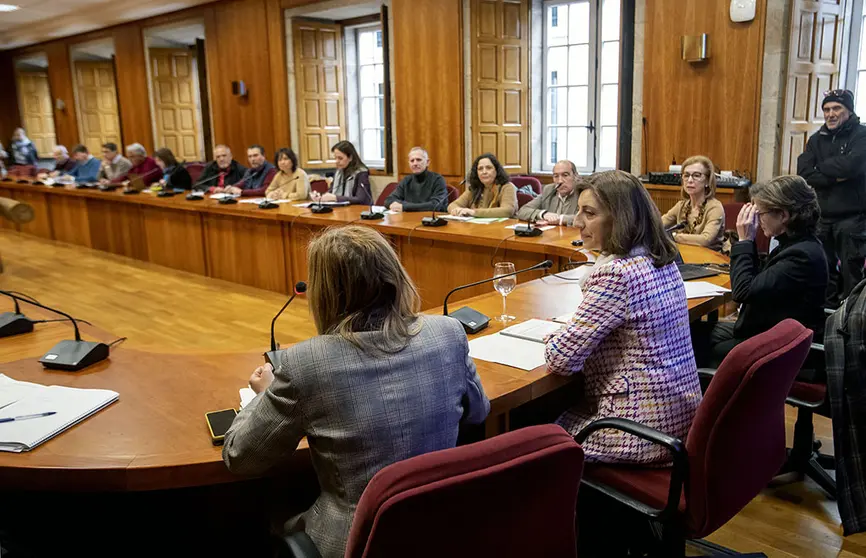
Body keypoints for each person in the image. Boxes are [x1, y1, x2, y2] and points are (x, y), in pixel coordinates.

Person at [223, 225, 490, 557]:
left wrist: (266, 392)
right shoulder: (447, 332)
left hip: (356, 541)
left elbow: (240, 457)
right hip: (439, 524)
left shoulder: (304, 364)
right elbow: (479, 412)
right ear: (396, 275)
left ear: (325, 292)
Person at [543, 170, 701, 465]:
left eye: (589, 213)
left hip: (639, 430)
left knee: (534, 433)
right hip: (679, 417)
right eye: (578, 212)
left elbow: (561, 359)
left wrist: (553, 336)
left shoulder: (617, 274)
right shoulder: (659, 259)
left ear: (621, 218)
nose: (578, 223)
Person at [692, 175, 828, 367]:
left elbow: (743, 292)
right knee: (688, 333)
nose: (756, 219)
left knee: (688, 348)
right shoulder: (796, 244)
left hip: (780, 350)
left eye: (760, 213)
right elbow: (757, 281)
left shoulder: (801, 256)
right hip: (763, 332)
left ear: (783, 215)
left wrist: (746, 240)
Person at [797, 89, 866, 306]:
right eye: (826, 109)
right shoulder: (817, 139)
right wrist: (836, 176)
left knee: (851, 272)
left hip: (853, 218)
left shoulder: (861, 135)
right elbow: (804, 171)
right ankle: (823, 322)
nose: (830, 114)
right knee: (822, 270)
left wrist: (821, 168)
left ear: (849, 110)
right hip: (822, 216)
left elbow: (853, 165)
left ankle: (851, 323)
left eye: (837, 108)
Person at [661, 155, 725, 252]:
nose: (690, 180)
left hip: (710, 262)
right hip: (685, 258)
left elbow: (705, 239)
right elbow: (658, 225)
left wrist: (674, 236)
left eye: (696, 175)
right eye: (686, 175)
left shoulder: (715, 207)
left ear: (707, 181)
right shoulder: (682, 206)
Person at [448, 153, 517, 218]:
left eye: (489, 168)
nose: (484, 172)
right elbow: (452, 205)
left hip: (501, 228)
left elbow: (508, 211)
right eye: (480, 169)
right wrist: (456, 210)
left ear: (497, 171)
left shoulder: (507, 187)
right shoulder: (474, 188)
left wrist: (473, 212)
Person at [384, 147, 448, 212]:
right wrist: (396, 205)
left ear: (427, 162)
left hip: (430, 219)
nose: (415, 163)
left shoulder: (438, 180)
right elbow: (388, 200)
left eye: (419, 160)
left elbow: (435, 205)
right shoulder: (406, 180)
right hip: (408, 219)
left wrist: (404, 206)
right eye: (412, 161)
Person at [516, 160, 580, 225]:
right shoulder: (549, 190)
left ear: (576, 176)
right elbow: (522, 211)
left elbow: (584, 219)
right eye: (556, 176)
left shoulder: (582, 192)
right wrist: (543, 214)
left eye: (565, 175)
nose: (560, 181)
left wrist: (560, 219)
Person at [313, 141, 372, 205]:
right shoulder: (338, 172)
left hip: (358, 211)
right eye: (335, 158)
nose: (337, 161)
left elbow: (361, 199)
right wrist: (321, 197)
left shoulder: (361, 173)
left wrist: (336, 198)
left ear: (350, 158)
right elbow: (331, 192)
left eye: (340, 158)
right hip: (341, 210)